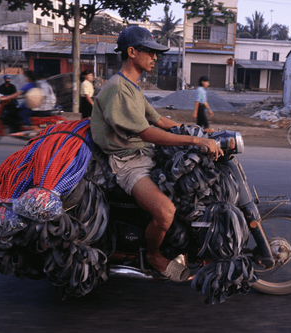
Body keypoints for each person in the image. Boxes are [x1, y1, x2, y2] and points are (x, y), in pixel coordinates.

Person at [90, 26, 223, 282]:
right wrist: (194, 140)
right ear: (132, 52)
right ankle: (154, 256)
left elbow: (160, 120)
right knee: (165, 212)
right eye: (150, 52)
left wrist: (202, 132)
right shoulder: (118, 89)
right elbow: (147, 132)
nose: (155, 58)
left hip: (146, 154)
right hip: (128, 163)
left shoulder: (133, 87)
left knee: (194, 188)